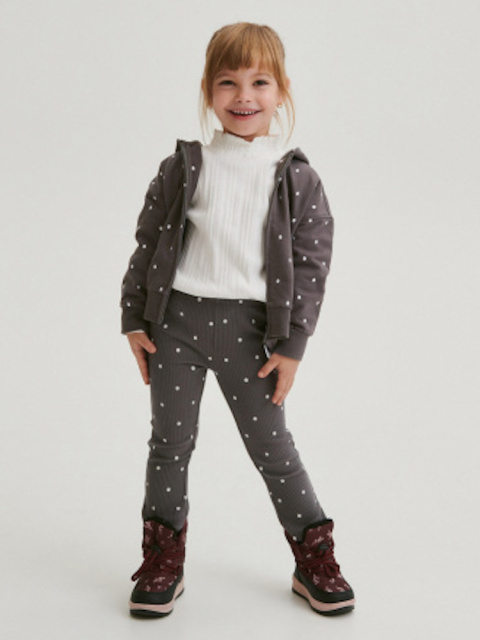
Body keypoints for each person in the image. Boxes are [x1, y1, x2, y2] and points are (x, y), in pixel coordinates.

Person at [120, 21, 355, 618]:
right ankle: (163, 559)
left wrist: (294, 344)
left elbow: (312, 265)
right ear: (208, 90)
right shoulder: (183, 167)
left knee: (273, 449)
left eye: (259, 82)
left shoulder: (295, 176)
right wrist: (133, 318)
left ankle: (313, 557)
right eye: (227, 82)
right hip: (175, 326)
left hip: (252, 336)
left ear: (281, 91)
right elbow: (148, 242)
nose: (243, 96)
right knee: (169, 443)